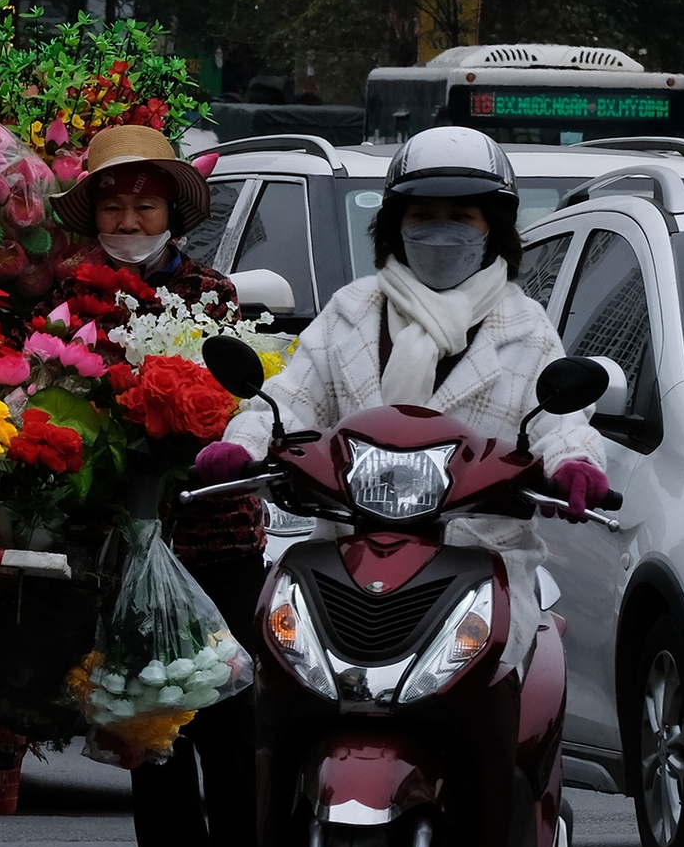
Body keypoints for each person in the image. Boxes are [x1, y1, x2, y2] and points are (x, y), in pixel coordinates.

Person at [195, 127, 611, 729]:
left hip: (478, 556)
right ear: (396, 224)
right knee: (282, 694)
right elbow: (288, 400)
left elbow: (558, 419)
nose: (441, 232)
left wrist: (575, 464)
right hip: (345, 551)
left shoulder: (527, 326)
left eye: (460, 216)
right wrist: (243, 445)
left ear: (492, 226)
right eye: (424, 215)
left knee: (490, 710)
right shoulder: (351, 311)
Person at [50, 125, 267, 847]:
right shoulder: (68, 299)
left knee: (231, 724)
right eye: (115, 203)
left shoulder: (212, 293)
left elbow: (239, 399)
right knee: (151, 730)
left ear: (171, 213)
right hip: (115, 547)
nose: (130, 218)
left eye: (145, 204)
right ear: (94, 211)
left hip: (214, 543)